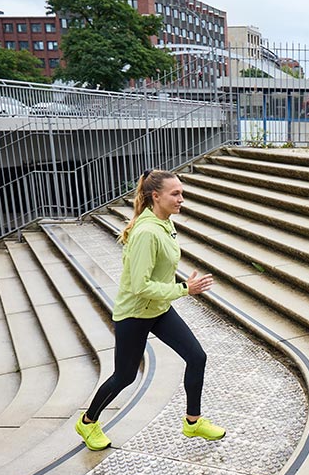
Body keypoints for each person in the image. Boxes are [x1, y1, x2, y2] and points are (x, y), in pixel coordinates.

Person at [75, 169, 225, 450]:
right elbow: (139, 287)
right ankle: (87, 422)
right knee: (125, 377)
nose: (182, 198)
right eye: (175, 194)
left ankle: (193, 422)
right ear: (156, 196)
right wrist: (184, 289)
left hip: (158, 308)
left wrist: (178, 287)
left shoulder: (163, 223)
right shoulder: (146, 232)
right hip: (134, 314)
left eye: (181, 192)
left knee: (196, 357)